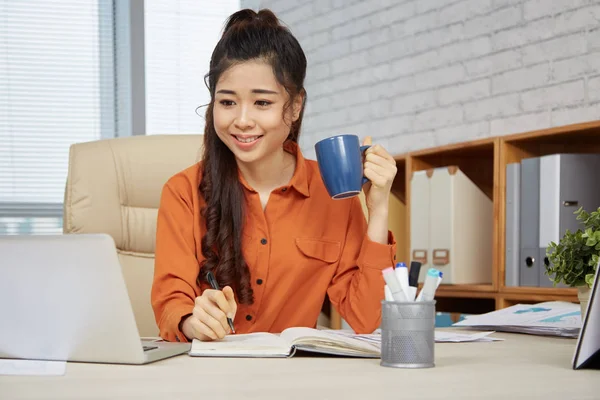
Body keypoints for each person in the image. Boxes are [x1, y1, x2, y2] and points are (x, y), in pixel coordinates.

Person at [151, 8, 398, 343]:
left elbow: (365, 318)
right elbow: (170, 303)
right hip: (209, 376)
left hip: (292, 380)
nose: (241, 120)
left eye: (262, 103)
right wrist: (193, 321)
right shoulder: (183, 191)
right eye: (227, 102)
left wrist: (379, 208)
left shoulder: (331, 192)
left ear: (295, 106)